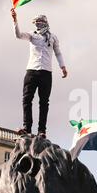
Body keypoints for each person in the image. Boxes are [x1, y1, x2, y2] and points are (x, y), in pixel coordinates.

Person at [11, 8, 68, 138]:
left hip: (46, 72)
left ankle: (42, 130)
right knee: (27, 99)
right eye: (36, 22)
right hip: (31, 70)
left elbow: (58, 52)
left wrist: (63, 66)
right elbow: (19, 35)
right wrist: (15, 20)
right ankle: (27, 127)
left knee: (44, 102)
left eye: (41, 21)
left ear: (46, 22)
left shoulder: (52, 37)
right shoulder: (32, 35)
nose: (38, 24)